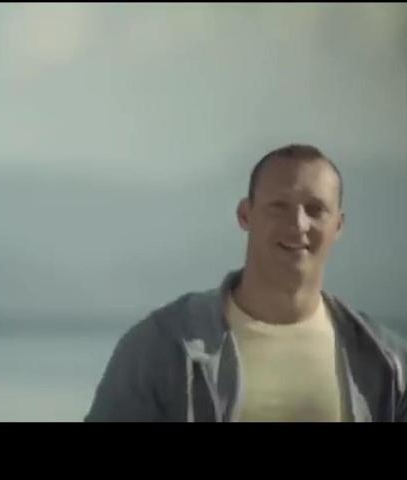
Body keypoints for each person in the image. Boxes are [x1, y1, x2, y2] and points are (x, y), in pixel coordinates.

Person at [85, 144, 407, 422]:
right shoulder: (164, 347)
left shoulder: (386, 362)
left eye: (315, 209)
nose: (298, 224)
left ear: (338, 225)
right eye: (279, 206)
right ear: (245, 215)